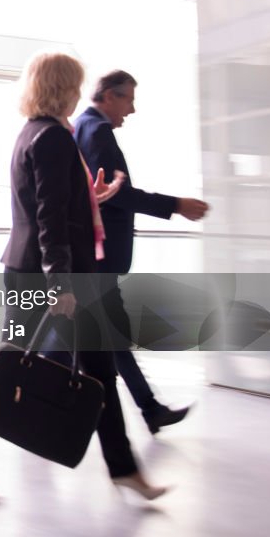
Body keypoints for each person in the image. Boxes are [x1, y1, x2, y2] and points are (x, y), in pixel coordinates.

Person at [0, 52, 167, 508]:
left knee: (92, 371)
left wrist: (92, 196)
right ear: (63, 87)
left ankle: (123, 470)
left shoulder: (36, 132)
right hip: (50, 275)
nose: (78, 92)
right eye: (75, 84)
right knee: (20, 367)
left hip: (34, 269)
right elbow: (48, 217)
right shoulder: (51, 138)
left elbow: (51, 201)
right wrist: (61, 283)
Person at [74, 69, 207, 433]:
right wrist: (176, 204)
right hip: (100, 256)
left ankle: (150, 410)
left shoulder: (83, 127)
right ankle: (33, 408)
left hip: (94, 256)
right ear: (109, 96)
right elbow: (118, 194)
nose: (131, 110)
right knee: (94, 337)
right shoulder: (95, 129)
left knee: (104, 336)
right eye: (128, 99)